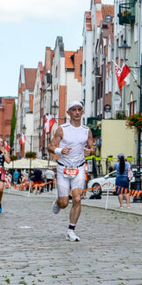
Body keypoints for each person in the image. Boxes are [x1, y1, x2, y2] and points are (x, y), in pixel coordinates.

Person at [49, 101, 94, 242]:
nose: (76, 112)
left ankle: (71, 229)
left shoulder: (86, 130)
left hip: (79, 167)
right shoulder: (62, 129)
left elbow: (93, 148)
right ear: (68, 112)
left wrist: (90, 151)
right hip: (63, 168)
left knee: (77, 198)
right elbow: (50, 146)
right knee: (64, 203)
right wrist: (60, 150)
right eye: (73, 110)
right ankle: (58, 202)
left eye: (79, 110)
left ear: (82, 112)